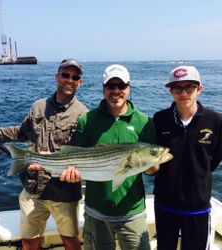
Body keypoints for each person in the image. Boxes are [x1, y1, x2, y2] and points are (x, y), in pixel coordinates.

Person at [0, 59, 88, 250]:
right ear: (57, 77)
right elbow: (21, 132)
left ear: (79, 82)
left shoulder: (83, 115)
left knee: (70, 240)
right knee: (29, 241)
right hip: (33, 188)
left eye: (75, 77)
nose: (69, 80)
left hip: (64, 192)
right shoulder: (38, 106)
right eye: (65, 75)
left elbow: (84, 154)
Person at [60, 64, 157, 250]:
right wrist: (71, 174)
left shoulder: (145, 122)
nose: (116, 91)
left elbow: (152, 170)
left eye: (121, 86)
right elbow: (74, 157)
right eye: (110, 86)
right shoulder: (87, 120)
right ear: (103, 88)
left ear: (129, 87)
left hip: (132, 212)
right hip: (96, 211)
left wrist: (152, 166)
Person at [153, 65, 222, 250]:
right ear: (170, 90)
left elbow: (215, 158)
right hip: (165, 203)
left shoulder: (215, 120)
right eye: (177, 88)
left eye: (189, 87)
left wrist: (197, 179)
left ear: (199, 89)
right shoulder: (159, 119)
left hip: (197, 205)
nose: (183, 92)